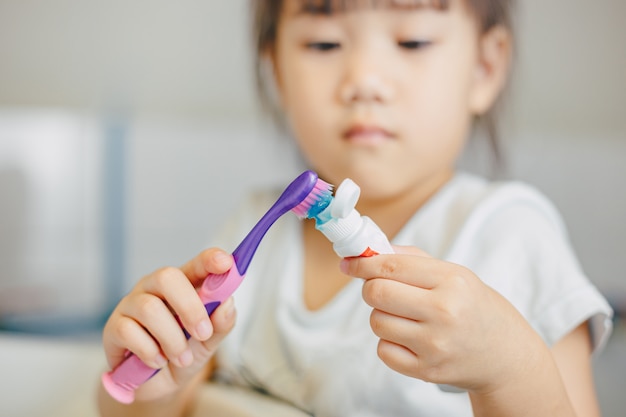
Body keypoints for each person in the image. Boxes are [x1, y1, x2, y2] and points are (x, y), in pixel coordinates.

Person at [98, 1, 613, 416]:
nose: (364, 79)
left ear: (484, 67)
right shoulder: (252, 231)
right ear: (275, 67)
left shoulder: (510, 236)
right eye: (324, 42)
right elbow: (142, 409)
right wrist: (153, 382)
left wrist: (508, 367)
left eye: (412, 40)